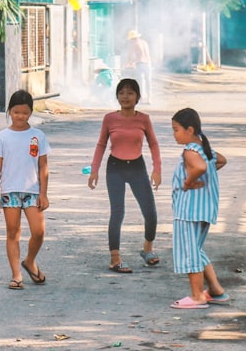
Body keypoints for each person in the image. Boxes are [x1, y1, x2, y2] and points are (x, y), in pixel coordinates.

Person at [88, 78, 162, 272]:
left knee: (150, 213)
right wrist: (94, 169)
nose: (125, 97)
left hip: (137, 167)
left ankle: (148, 249)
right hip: (115, 168)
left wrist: (157, 169)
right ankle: (115, 258)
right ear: (117, 96)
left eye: (130, 93)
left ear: (137, 96)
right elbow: (101, 144)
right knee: (117, 213)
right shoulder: (109, 118)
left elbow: (153, 144)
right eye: (121, 93)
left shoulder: (144, 119)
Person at [0, 90, 51, 290]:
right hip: (10, 191)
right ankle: (16, 274)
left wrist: (43, 193)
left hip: (33, 191)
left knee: (38, 231)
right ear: (9, 111)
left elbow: (43, 166)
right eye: (16, 112)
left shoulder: (37, 136)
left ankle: (30, 261)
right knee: (13, 232)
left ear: (31, 113)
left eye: (24, 113)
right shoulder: (2, 137)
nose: (20, 116)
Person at [168, 107, 229, 309]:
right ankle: (215, 291)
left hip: (189, 209)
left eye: (176, 129)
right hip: (205, 207)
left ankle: (197, 296)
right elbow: (220, 161)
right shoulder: (204, 148)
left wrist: (188, 182)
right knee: (196, 249)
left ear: (190, 129)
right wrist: (202, 175)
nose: (174, 134)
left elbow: (200, 167)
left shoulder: (190, 151)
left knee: (189, 252)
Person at [123, 29, 152, 102]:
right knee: (148, 81)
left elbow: (131, 56)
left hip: (140, 64)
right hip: (148, 64)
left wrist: (128, 63)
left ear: (133, 38)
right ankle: (149, 98)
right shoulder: (145, 42)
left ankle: (142, 98)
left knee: (140, 81)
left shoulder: (135, 44)